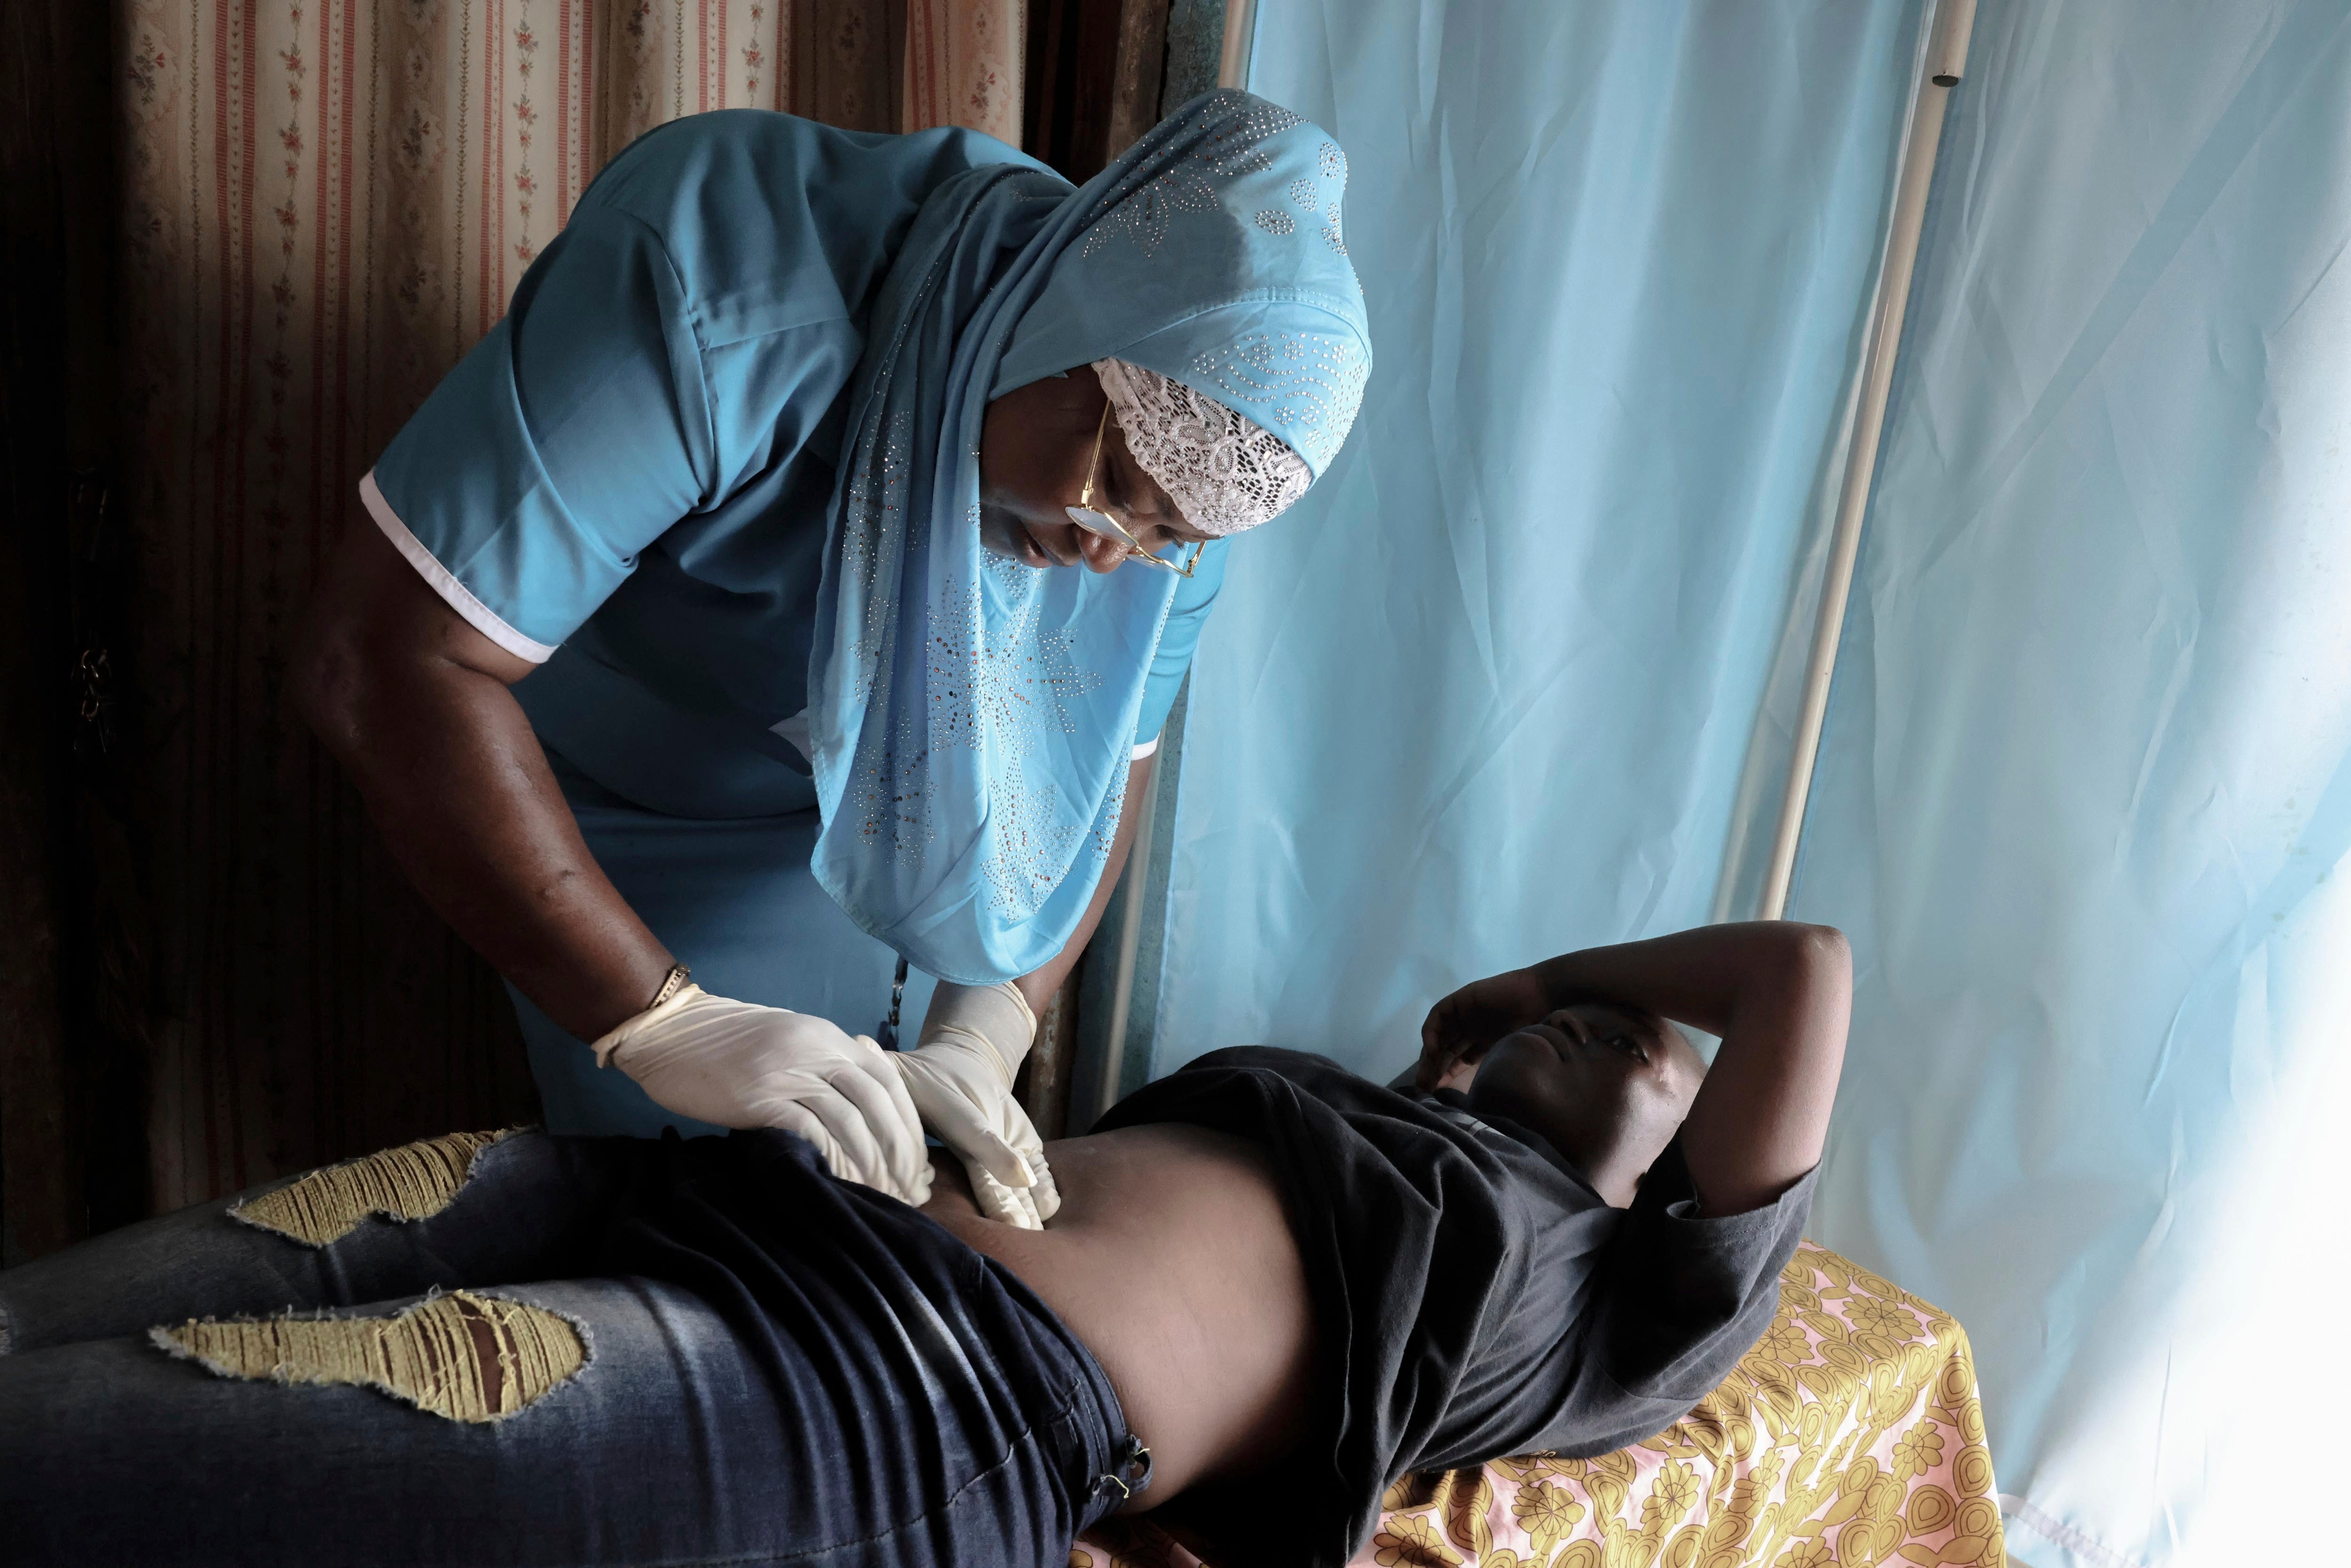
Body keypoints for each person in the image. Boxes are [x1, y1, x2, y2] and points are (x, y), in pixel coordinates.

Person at [290, 87, 1373, 1217]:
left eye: (1166, 540)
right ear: (1066, 332)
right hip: (609, 795)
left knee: (891, 1195)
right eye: (1113, 488)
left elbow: (1108, 770)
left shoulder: (1175, 504)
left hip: (869, 828)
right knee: (702, 1202)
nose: (1109, 556)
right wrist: (658, 1018)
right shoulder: (728, 286)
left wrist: (991, 1022)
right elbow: (378, 662)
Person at [0, 922, 1846, 1568]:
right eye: (1602, 1017)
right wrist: (1483, 1046)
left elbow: (1800, 969)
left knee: (66, 1451)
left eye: (1661, 1064)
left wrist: (1544, 979)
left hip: (883, 1388)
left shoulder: (1618, 1310)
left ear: (1685, 1197)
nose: (1633, 1033)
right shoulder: (1370, 1118)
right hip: (715, 1190)